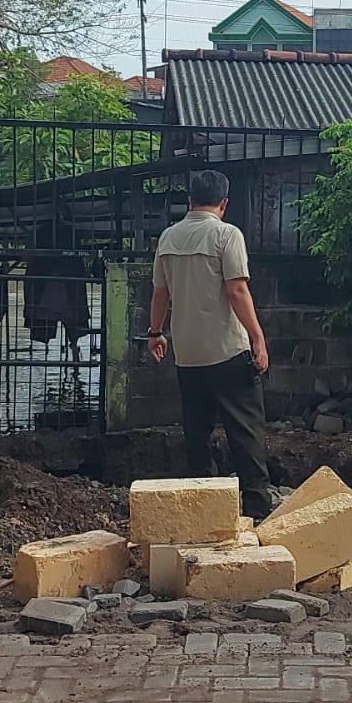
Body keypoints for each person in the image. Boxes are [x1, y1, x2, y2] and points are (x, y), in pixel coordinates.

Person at [146, 170, 275, 520]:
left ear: (189, 201)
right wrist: (258, 337)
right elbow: (236, 290)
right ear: (224, 203)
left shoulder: (168, 238)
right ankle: (257, 508)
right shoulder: (226, 235)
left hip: (188, 355)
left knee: (197, 432)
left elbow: (160, 293)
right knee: (245, 429)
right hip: (228, 352)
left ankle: (206, 508)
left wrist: (155, 333)